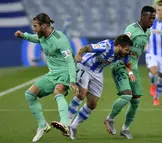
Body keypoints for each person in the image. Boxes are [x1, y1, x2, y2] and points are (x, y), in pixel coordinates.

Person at [14, 13, 79, 142]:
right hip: (52, 73)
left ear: (44, 26)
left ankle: (65, 124)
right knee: (30, 94)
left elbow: (70, 61)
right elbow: (36, 39)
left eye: (35, 26)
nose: (34, 28)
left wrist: (72, 80)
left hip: (65, 71)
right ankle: (42, 125)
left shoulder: (60, 39)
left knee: (58, 90)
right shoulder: (42, 35)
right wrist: (23, 36)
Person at [67, 35, 134, 140]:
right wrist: (79, 54)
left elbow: (128, 63)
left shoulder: (123, 54)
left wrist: (130, 73)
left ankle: (73, 126)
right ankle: (67, 122)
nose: (127, 51)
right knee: (81, 94)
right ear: (120, 46)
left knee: (92, 104)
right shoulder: (106, 46)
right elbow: (86, 47)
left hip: (97, 73)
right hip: (85, 65)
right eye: (126, 49)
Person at [104, 6, 156, 139]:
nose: (152, 21)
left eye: (153, 18)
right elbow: (121, 45)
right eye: (150, 18)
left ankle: (125, 129)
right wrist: (127, 68)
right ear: (142, 16)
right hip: (121, 64)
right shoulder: (131, 30)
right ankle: (110, 118)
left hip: (134, 67)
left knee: (136, 100)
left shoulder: (148, 32)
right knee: (127, 96)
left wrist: (133, 68)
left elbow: (138, 52)